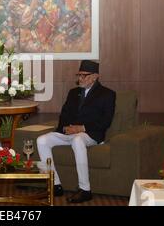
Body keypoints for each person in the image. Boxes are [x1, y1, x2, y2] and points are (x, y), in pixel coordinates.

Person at [36, 60, 116, 203]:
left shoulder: (107, 94)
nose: (80, 78)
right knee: (42, 140)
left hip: (90, 134)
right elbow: (64, 114)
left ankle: (85, 189)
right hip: (69, 133)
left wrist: (82, 128)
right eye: (79, 75)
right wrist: (65, 128)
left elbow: (106, 121)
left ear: (95, 76)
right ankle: (55, 184)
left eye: (83, 75)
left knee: (78, 139)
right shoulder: (73, 93)